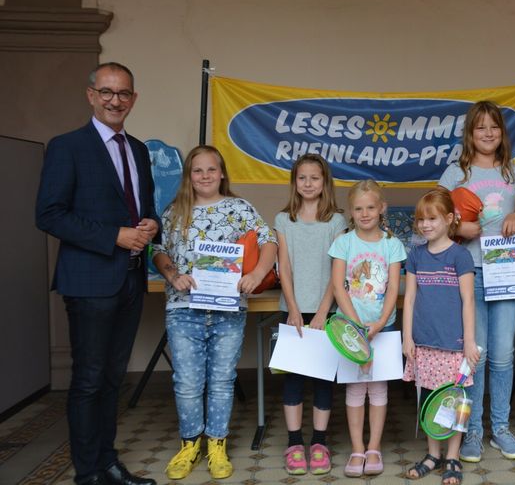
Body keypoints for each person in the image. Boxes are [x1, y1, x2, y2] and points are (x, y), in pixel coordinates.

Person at [35, 62, 159, 485]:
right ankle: (88, 472)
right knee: (88, 380)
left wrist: (151, 224)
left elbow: (144, 208)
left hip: (129, 280)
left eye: (123, 93)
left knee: (111, 379)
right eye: (106, 92)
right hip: (89, 282)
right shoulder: (67, 146)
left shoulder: (139, 150)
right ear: (91, 95)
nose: (115, 100)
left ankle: (108, 462)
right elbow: (49, 215)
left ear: (133, 99)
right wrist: (115, 236)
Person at [152, 145, 277, 480]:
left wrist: (254, 274)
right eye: (197, 170)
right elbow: (158, 251)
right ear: (188, 176)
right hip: (183, 308)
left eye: (211, 169)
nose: (205, 176)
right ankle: (190, 444)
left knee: (222, 380)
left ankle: (217, 444)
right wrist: (172, 275)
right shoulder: (174, 211)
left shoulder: (239, 208)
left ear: (222, 173)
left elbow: (269, 240)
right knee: (188, 382)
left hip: (228, 309)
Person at [438, 100, 515, 462]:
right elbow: (434, 216)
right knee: (475, 354)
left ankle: (501, 428)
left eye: (494, 126)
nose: (488, 133)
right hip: (468, 272)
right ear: (470, 134)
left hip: (506, 271)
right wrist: (459, 226)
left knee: (503, 354)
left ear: (502, 133)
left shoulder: (511, 171)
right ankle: (472, 430)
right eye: (480, 127)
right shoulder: (454, 174)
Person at [274, 154, 346, 475]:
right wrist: (292, 308)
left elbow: (337, 270)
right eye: (302, 178)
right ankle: (293, 442)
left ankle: (319, 442)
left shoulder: (336, 221)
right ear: (295, 182)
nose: (308, 184)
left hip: (324, 312)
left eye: (314, 178)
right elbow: (284, 267)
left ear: (324, 182)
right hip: (292, 313)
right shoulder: (283, 219)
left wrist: (321, 313)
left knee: (321, 380)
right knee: (292, 379)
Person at [328, 180, 406, 477]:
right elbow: (338, 286)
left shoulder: (392, 245)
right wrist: (357, 327)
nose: (364, 214)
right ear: (351, 211)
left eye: (370, 207)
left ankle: (374, 446)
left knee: (378, 388)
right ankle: (357, 448)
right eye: (358, 208)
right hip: (349, 331)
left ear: (381, 208)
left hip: (382, 330)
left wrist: (377, 324)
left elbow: (393, 290)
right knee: (355, 389)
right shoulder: (344, 242)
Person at [402, 189, 479, 485]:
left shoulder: (460, 256)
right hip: (424, 344)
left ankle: (453, 457)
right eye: (421, 219)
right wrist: (407, 338)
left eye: (432, 218)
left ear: (449, 219)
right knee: (429, 401)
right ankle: (433, 454)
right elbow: (408, 299)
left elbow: (468, 300)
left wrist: (469, 341)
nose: (425, 225)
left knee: (455, 401)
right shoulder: (416, 256)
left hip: (455, 345)